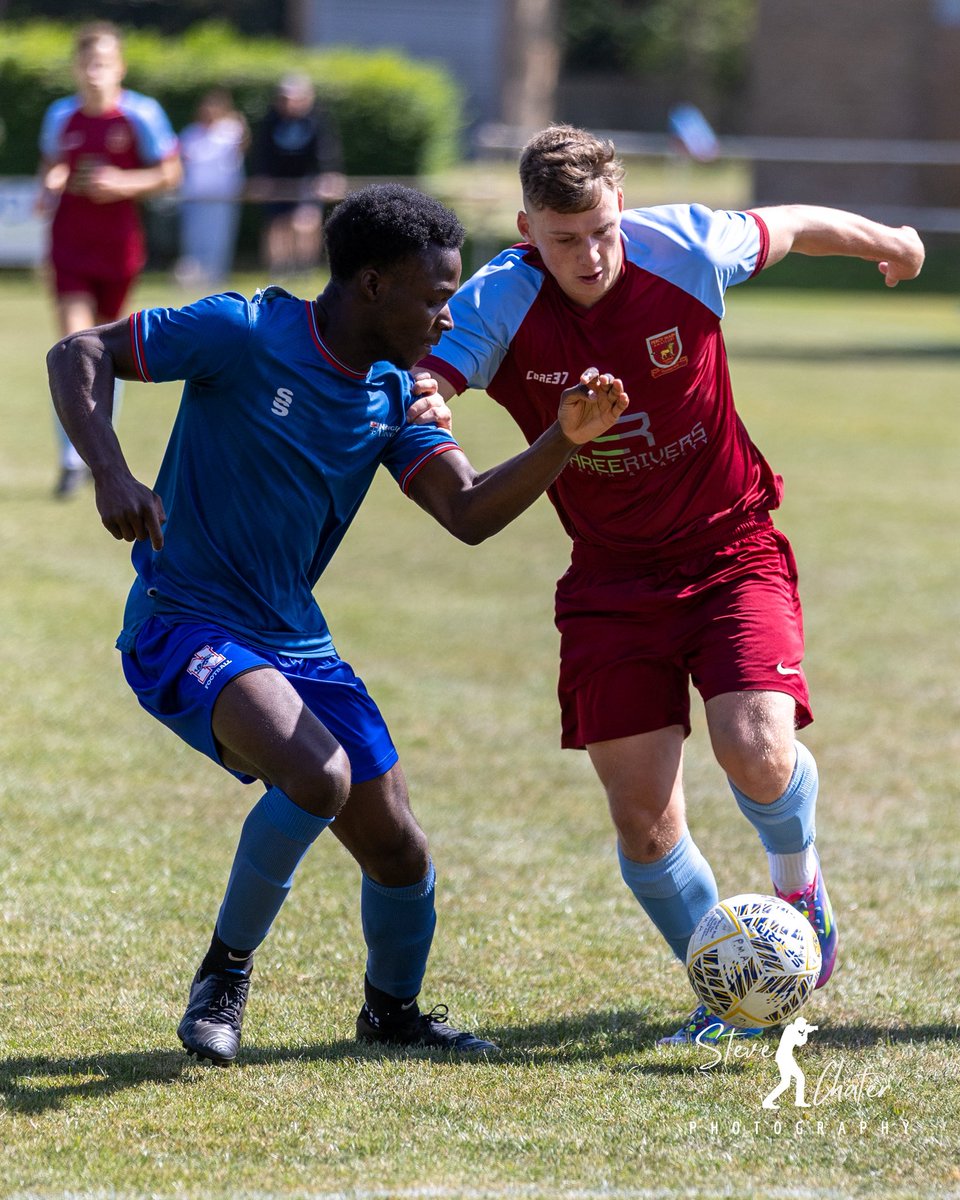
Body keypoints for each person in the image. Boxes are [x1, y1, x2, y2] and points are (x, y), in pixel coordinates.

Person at [47, 182, 628, 1066]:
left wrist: (562, 439)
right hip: (184, 618)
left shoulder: (394, 395)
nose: (449, 315)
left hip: (294, 637)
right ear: (371, 285)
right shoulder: (244, 331)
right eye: (437, 296)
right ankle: (223, 977)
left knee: (397, 847)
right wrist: (112, 472)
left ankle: (392, 1015)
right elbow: (77, 351)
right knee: (317, 779)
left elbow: (467, 513)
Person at [416, 124, 926, 1046]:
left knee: (753, 741)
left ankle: (800, 889)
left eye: (603, 230)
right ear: (527, 227)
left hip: (731, 548)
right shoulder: (500, 301)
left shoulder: (682, 245)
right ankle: (738, 992)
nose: (590, 255)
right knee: (645, 825)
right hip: (610, 581)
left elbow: (796, 223)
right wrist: (428, 394)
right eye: (564, 239)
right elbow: (426, 379)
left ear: (623, 207)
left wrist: (888, 241)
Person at [36, 20, 181, 498]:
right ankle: (70, 460)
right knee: (74, 344)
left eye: (104, 63)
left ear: (119, 67)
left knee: (103, 355)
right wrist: (52, 182)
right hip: (69, 244)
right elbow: (53, 162)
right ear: (76, 68)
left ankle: (95, 452)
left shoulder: (142, 114)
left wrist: (123, 183)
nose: (95, 72)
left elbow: (170, 173)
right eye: (87, 63)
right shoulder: (61, 115)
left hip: (118, 249)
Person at [247, 73, 345, 277]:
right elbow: (262, 152)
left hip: (307, 179)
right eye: (284, 99)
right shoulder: (270, 120)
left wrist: (329, 175)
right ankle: (280, 270)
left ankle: (304, 268)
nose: (289, 103)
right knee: (277, 224)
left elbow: (326, 150)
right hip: (276, 180)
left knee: (306, 221)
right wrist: (260, 177)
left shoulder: (317, 119)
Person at [175, 88, 249, 288]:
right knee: (194, 239)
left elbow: (243, 145)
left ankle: (215, 276)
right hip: (194, 196)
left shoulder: (231, 130)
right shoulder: (190, 133)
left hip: (222, 197)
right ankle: (193, 277)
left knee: (218, 239)